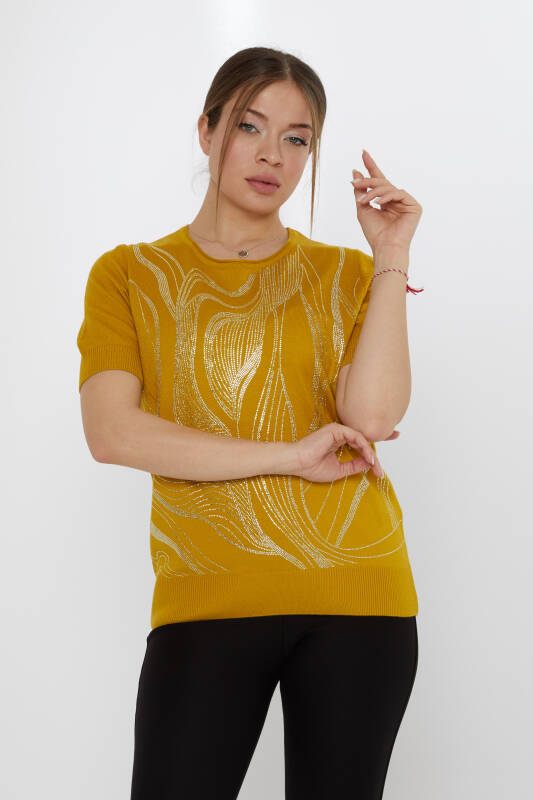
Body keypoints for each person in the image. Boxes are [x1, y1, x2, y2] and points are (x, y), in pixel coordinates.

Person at [77, 46, 423, 800]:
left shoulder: (346, 272)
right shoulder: (129, 275)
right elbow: (113, 434)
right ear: (206, 130)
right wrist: (289, 455)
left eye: (297, 138)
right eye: (249, 126)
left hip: (357, 595)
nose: (273, 155)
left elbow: (371, 415)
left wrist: (390, 253)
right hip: (206, 597)